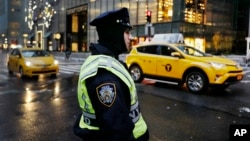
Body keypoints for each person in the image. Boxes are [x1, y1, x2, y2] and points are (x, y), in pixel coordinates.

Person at [73, 7, 149, 141]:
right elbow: (117, 131)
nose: (131, 37)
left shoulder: (107, 61)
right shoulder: (105, 76)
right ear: (114, 33)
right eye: (126, 32)